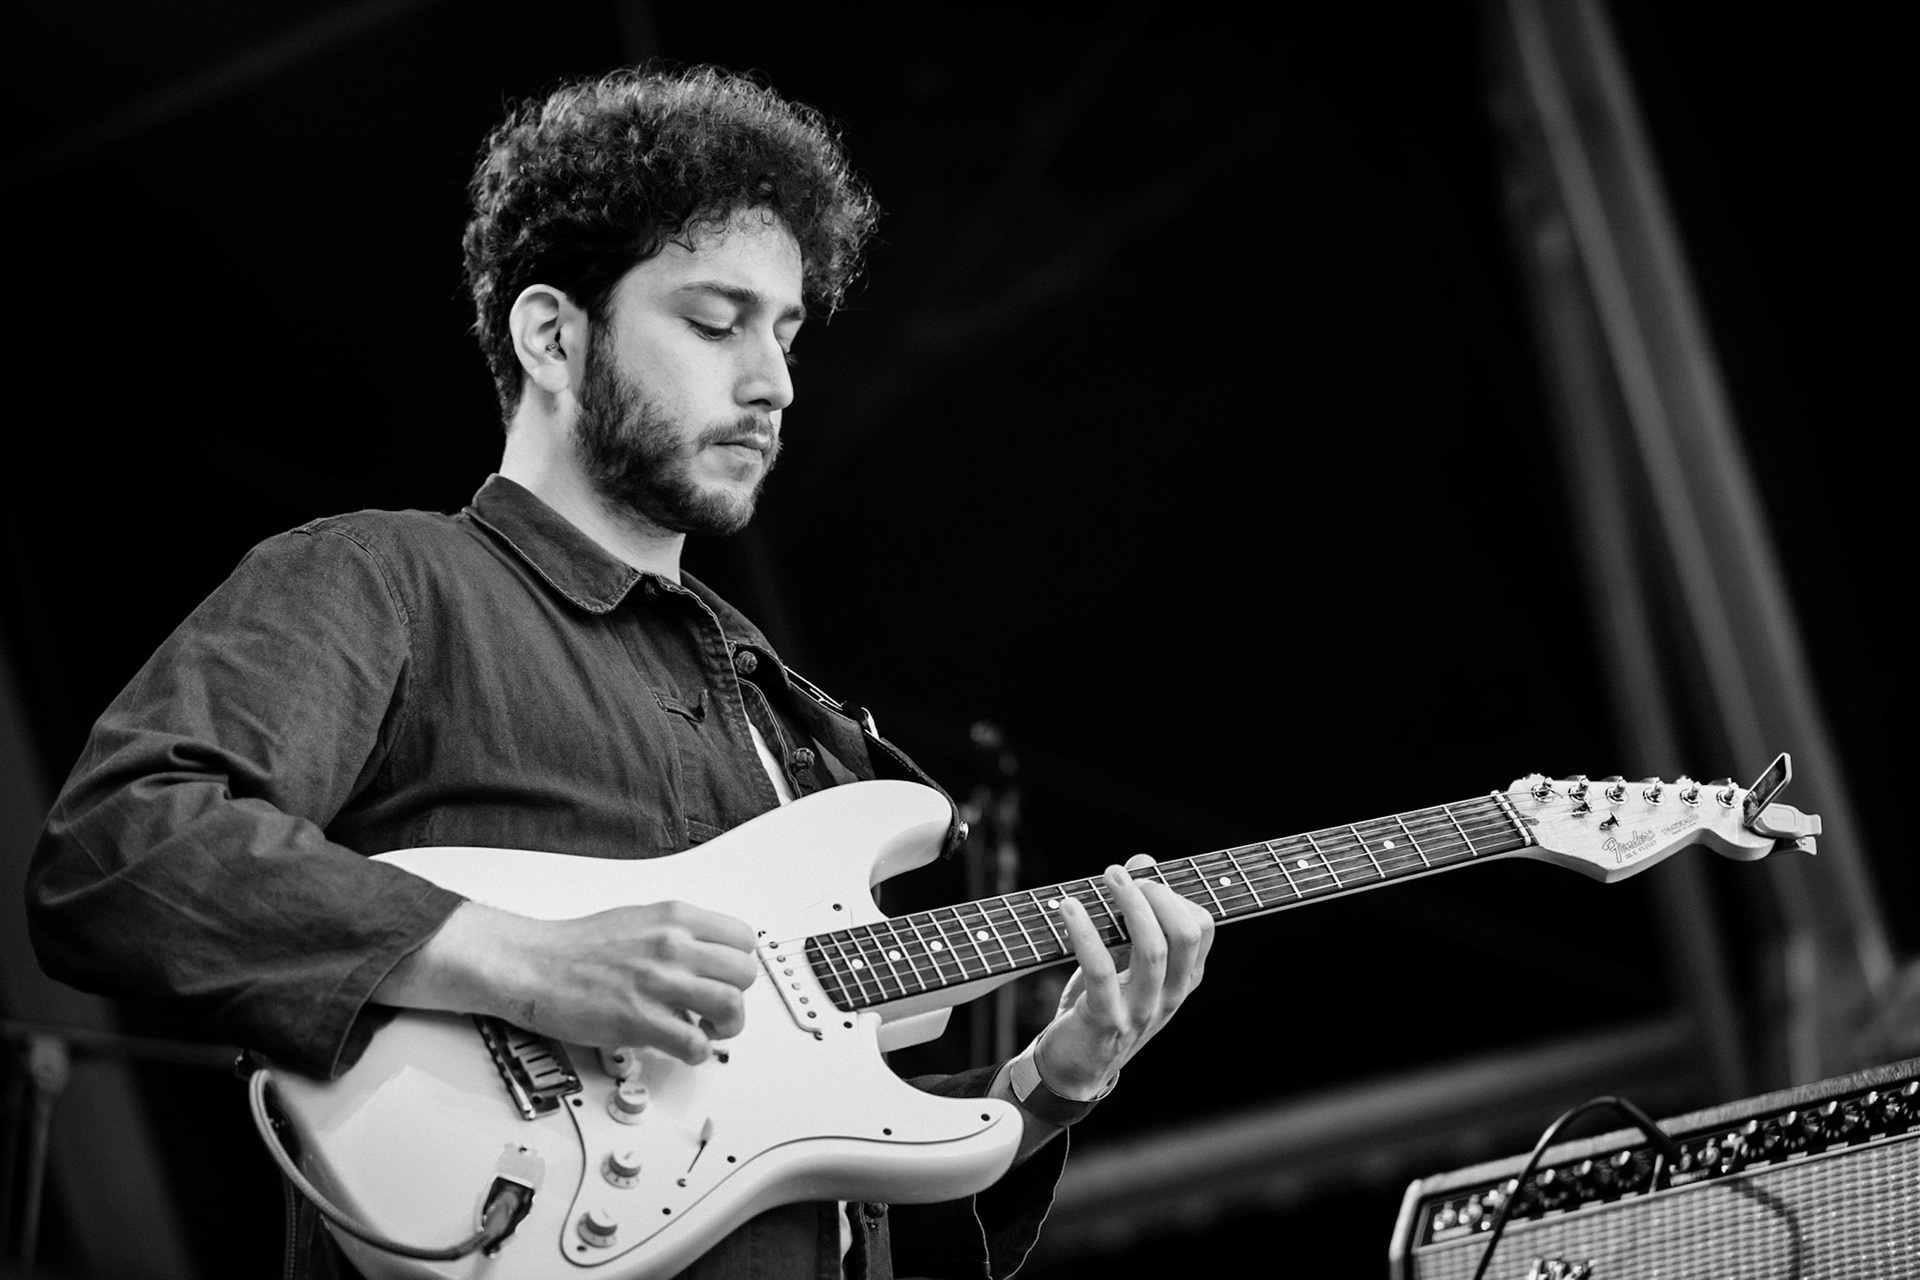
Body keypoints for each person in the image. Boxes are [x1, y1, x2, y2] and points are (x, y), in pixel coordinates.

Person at [24, 65, 1213, 1278]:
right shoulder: (388, 578)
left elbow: (808, 1166)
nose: (774, 382)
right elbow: (119, 850)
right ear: (552, 333)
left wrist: (1041, 1089)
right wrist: (519, 957)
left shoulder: (791, 724)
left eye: (788, 332)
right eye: (715, 322)